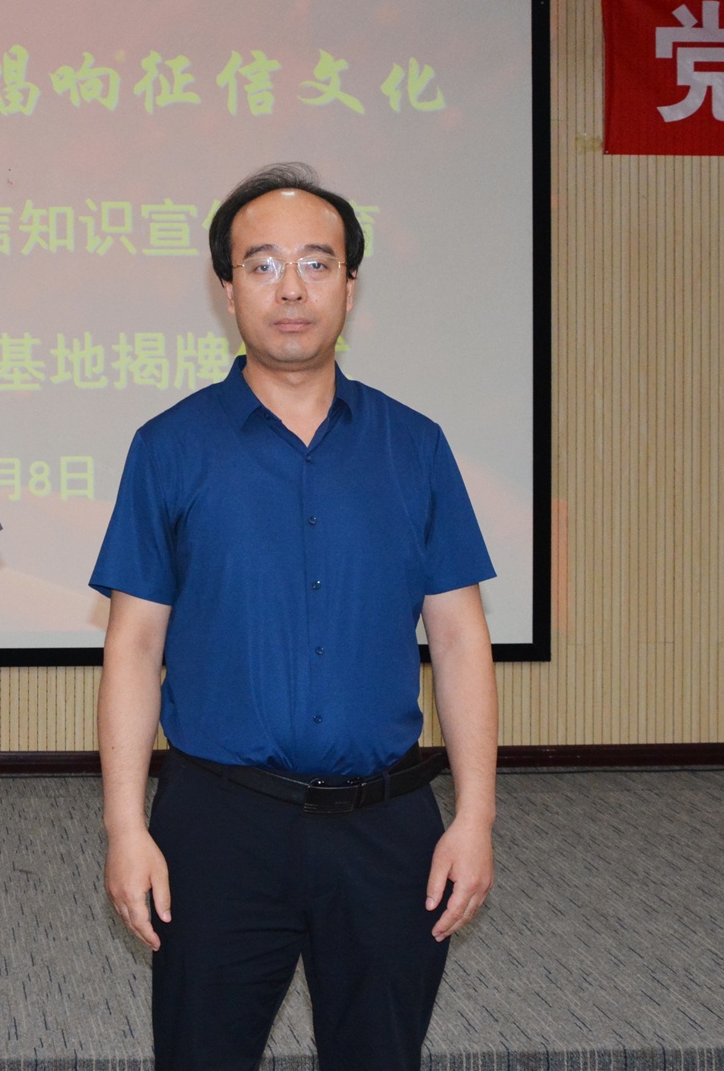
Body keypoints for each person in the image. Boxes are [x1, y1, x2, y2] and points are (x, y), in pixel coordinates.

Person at [92, 162, 499, 1071]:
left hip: (387, 824)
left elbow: (460, 639)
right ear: (226, 287)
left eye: (317, 264)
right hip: (219, 824)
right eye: (263, 264)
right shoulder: (169, 448)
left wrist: (475, 817)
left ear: (351, 287)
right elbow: (134, 647)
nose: (291, 290)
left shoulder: (414, 446)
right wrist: (126, 828)